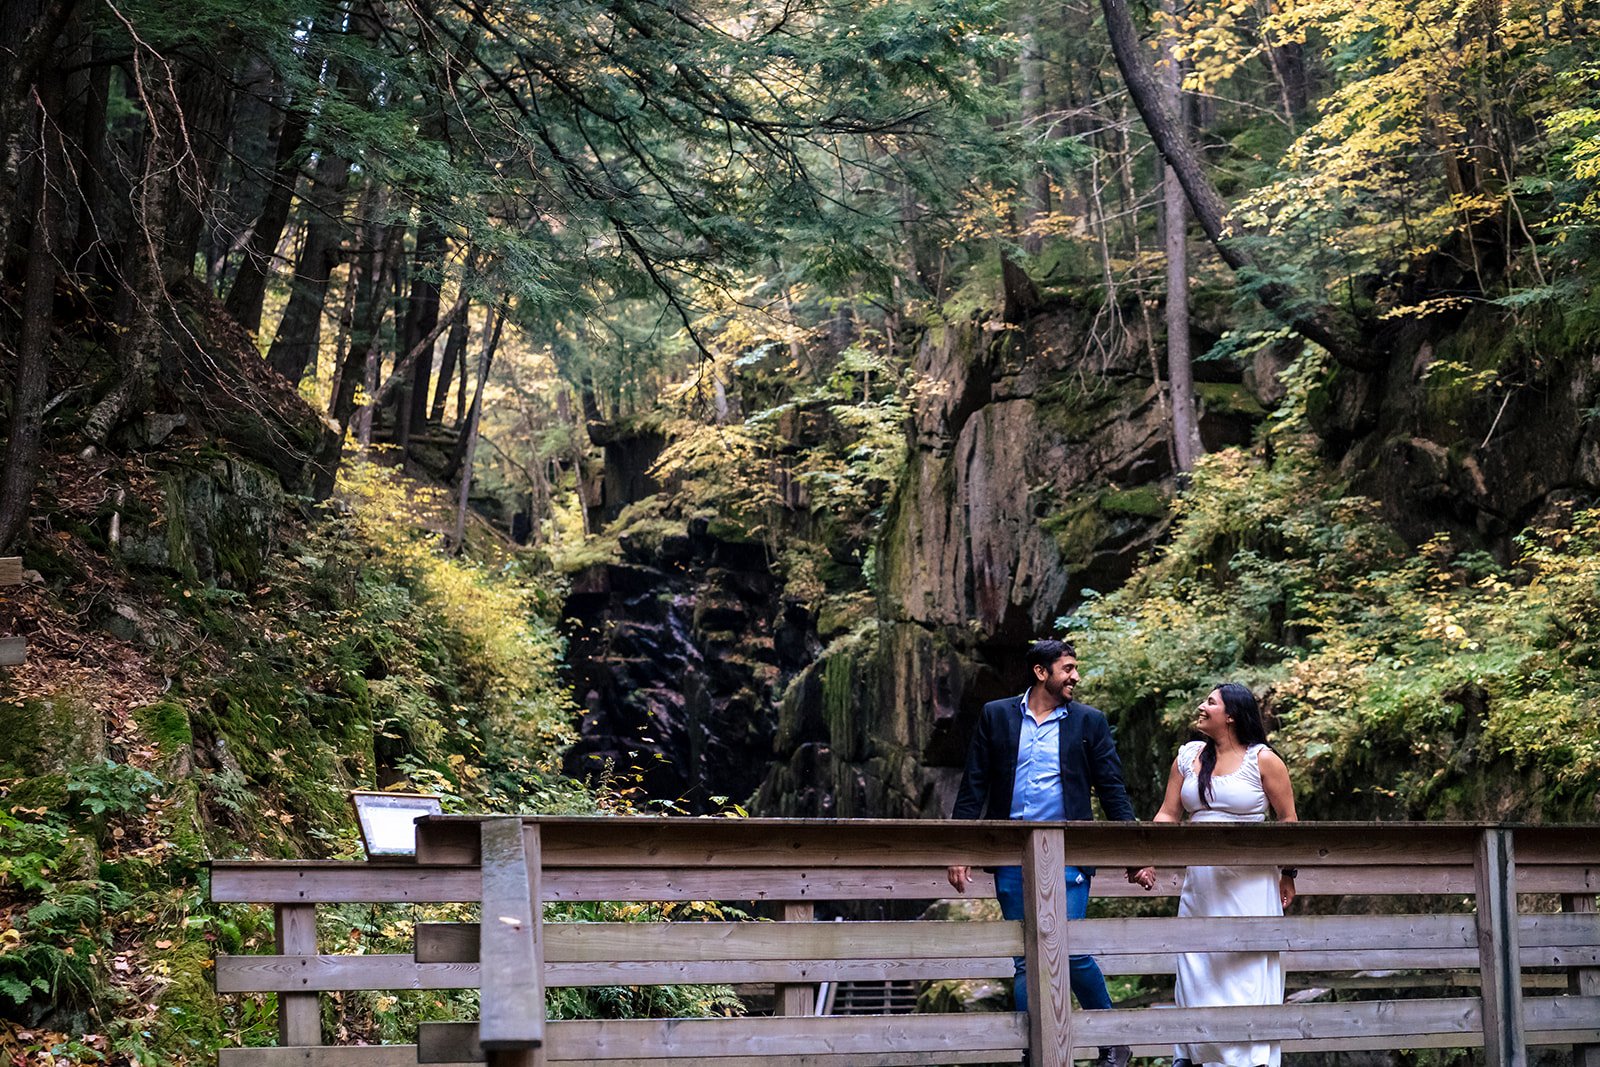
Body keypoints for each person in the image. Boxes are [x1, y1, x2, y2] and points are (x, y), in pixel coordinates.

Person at [947, 638, 1151, 1067]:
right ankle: (1033, 1050)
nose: (1075, 676)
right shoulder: (996, 715)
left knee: (1070, 949)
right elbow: (974, 785)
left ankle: (1113, 1039)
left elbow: (1112, 790)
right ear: (1042, 673)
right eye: (1068, 668)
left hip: (1069, 851)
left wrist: (1135, 853)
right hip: (1012, 853)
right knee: (1026, 957)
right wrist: (960, 849)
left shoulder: (1089, 722)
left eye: (1075, 668)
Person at [1132, 683, 1298, 1067]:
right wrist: (1146, 856)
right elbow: (1168, 814)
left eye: (1211, 702)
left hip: (1250, 882)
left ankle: (1245, 1058)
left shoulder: (1263, 760)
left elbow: (1288, 820)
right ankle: (1195, 1053)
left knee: (1243, 964)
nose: (1202, 707)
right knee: (1198, 964)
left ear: (1232, 715)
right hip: (1202, 882)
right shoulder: (1188, 756)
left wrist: (1288, 873)